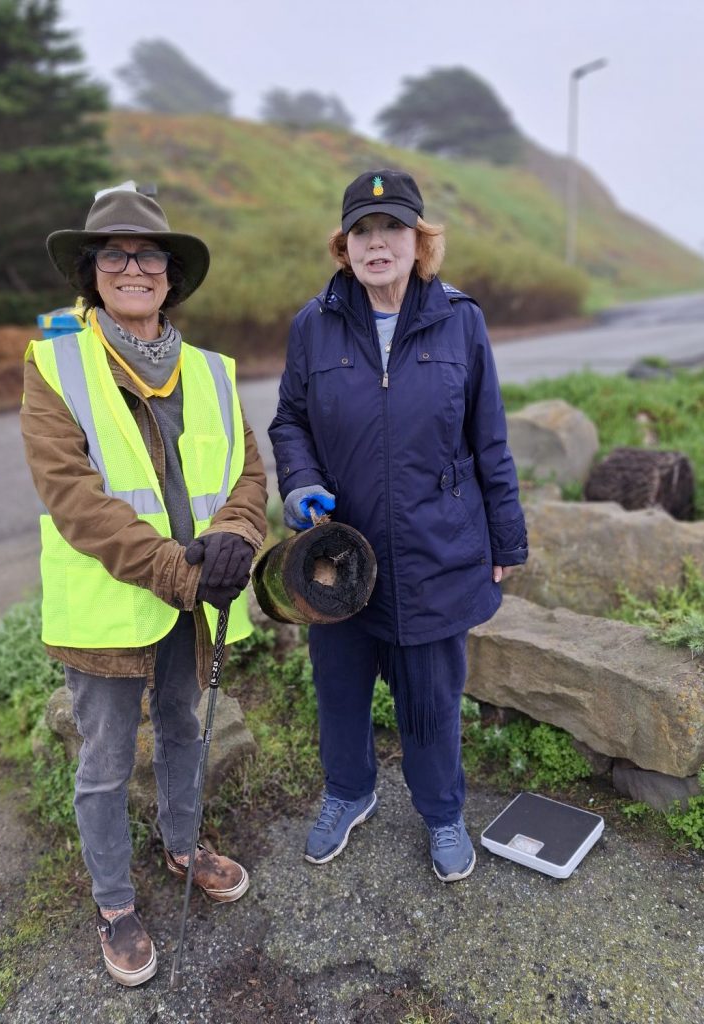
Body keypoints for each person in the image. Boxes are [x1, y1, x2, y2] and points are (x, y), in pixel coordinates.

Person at [21, 184, 267, 986]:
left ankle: (185, 844)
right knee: (102, 759)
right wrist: (174, 570)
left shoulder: (211, 370)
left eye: (149, 254)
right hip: (108, 609)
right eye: (115, 255)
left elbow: (247, 472)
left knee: (186, 729)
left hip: (190, 608)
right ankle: (115, 903)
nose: (134, 267)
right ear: (93, 273)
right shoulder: (55, 365)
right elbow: (73, 499)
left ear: (170, 273)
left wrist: (235, 536)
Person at [269, 168, 527, 882]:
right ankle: (349, 793)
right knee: (340, 692)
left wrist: (506, 539)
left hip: (436, 552)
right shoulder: (313, 326)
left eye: (392, 229)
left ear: (420, 241)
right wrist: (301, 484)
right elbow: (289, 419)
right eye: (362, 231)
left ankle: (442, 813)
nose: (377, 243)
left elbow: (491, 440)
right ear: (343, 246)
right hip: (340, 558)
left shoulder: (460, 320)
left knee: (433, 702)